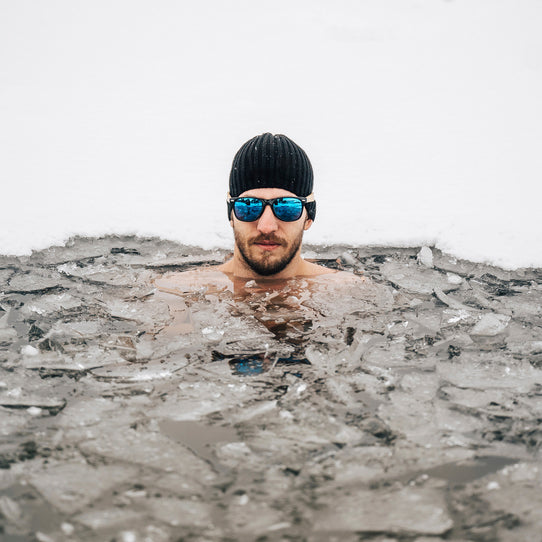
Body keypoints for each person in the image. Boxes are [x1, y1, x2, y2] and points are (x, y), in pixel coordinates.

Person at [153, 133, 363, 337]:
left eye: (287, 207)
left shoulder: (350, 291)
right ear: (232, 215)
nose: (266, 226)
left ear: (308, 218)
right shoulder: (178, 290)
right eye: (249, 206)